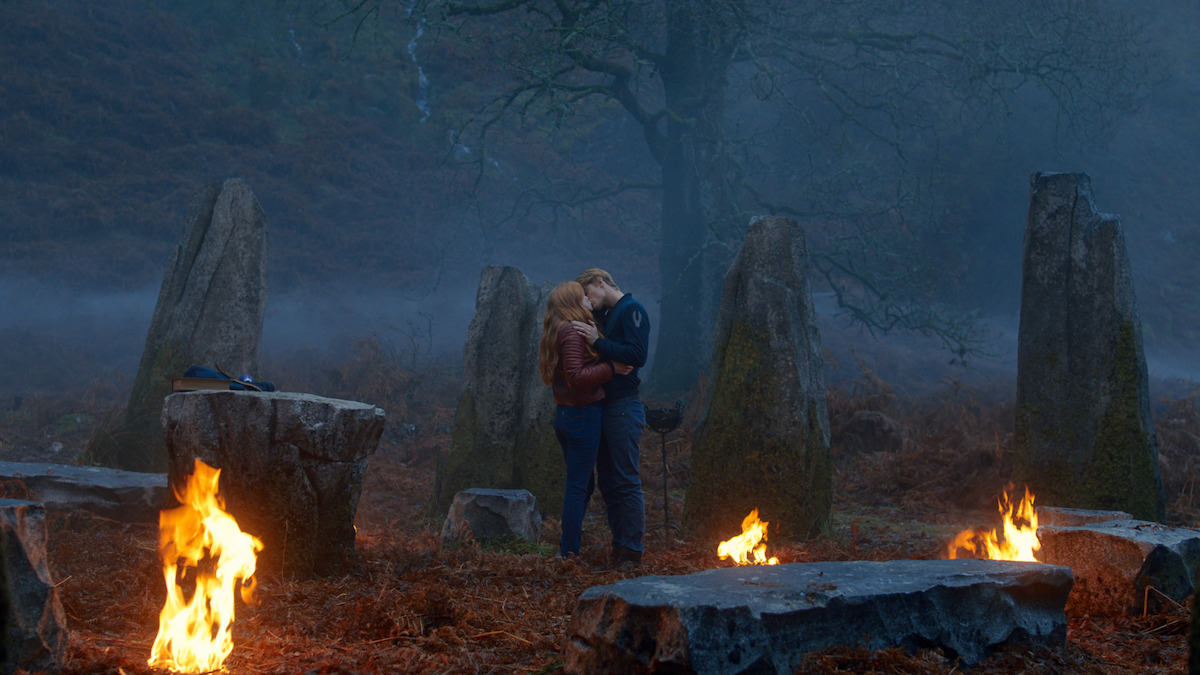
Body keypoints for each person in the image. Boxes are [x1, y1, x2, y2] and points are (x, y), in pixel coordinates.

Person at [538, 281, 633, 559]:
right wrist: (611, 368)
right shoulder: (571, 331)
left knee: (583, 485)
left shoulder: (562, 328)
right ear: (572, 303)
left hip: (569, 415)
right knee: (579, 487)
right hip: (581, 416)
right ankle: (568, 552)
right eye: (583, 298)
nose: (589, 300)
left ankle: (568, 548)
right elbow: (577, 379)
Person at [571, 268, 650, 567]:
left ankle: (632, 552)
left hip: (625, 407)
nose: (588, 301)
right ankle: (620, 548)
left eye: (588, 294)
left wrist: (597, 341)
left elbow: (637, 354)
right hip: (606, 406)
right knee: (609, 482)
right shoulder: (606, 316)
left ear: (600, 282)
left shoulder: (632, 310)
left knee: (626, 480)